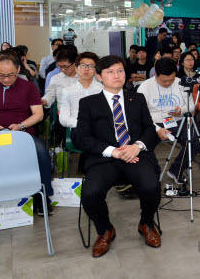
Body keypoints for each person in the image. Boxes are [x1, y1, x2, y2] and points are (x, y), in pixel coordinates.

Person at [74, 55, 161, 258]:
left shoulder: (137, 98)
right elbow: (82, 138)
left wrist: (137, 146)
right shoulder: (88, 103)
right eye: (110, 72)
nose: (116, 75)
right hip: (104, 158)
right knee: (90, 193)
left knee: (151, 186)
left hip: (135, 155)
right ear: (99, 77)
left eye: (120, 71)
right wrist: (113, 151)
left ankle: (146, 223)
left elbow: (150, 129)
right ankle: (105, 230)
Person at [0, 51, 54, 215]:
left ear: (18, 70)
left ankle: (42, 196)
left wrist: (21, 126)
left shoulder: (29, 87)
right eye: (0, 75)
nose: (6, 79)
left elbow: (38, 114)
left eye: (10, 75)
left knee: (41, 154)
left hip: (23, 133)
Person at [137, 58, 194, 182]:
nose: (168, 83)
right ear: (155, 74)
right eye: (164, 81)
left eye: (171, 80)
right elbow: (141, 115)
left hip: (176, 120)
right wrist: (157, 129)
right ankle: (150, 175)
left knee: (194, 139)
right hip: (153, 123)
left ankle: (176, 170)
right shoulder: (144, 87)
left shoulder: (181, 83)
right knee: (143, 145)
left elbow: (191, 105)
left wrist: (182, 110)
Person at [58, 52, 102, 128]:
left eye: (91, 66)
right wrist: (82, 124)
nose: (86, 69)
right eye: (83, 65)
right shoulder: (68, 91)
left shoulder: (102, 89)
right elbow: (63, 118)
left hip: (99, 129)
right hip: (78, 128)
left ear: (95, 70)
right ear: (76, 68)